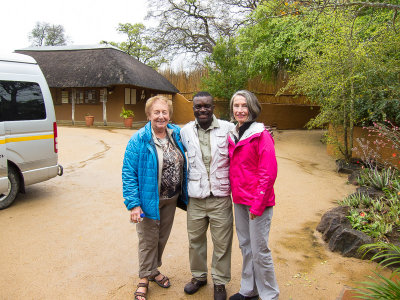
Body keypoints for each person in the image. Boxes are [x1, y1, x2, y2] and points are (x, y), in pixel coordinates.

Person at [122, 95, 188, 300]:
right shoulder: (139, 139)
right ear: (149, 115)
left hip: (171, 198)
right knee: (147, 239)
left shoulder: (176, 134)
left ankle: (153, 270)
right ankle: (144, 277)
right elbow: (128, 172)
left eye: (164, 112)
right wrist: (134, 204)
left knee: (161, 238)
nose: (161, 116)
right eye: (156, 112)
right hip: (149, 199)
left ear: (169, 115)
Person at [180, 91, 235, 300]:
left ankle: (220, 282)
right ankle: (199, 276)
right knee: (195, 240)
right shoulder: (185, 132)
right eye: (198, 106)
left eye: (207, 106)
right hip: (196, 197)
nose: (202, 110)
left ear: (214, 108)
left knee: (222, 242)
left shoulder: (228, 129)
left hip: (220, 197)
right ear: (193, 108)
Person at [227, 90, 279, 300]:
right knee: (246, 247)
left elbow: (268, 172)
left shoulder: (261, 135)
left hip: (258, 203)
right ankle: (249, 289)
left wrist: (258, 205)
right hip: (239, 200)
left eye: (244, 106)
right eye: (236, 106)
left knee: (259, 250)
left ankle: (269, 295)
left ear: (252, 108)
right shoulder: (233, 132)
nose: (240, 110)